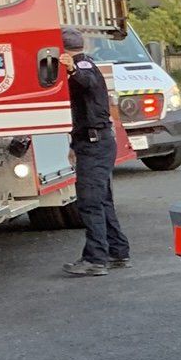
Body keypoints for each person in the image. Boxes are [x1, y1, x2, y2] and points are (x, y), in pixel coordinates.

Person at [60, 27, 130, 277]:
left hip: (95, 143)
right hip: (93, 141)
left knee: (90, 202)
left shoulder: (83, 67)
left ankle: (95, 259)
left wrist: (71, 69)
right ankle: (117, 251)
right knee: (102, 200)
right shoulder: (85, 64)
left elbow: (88, 83)